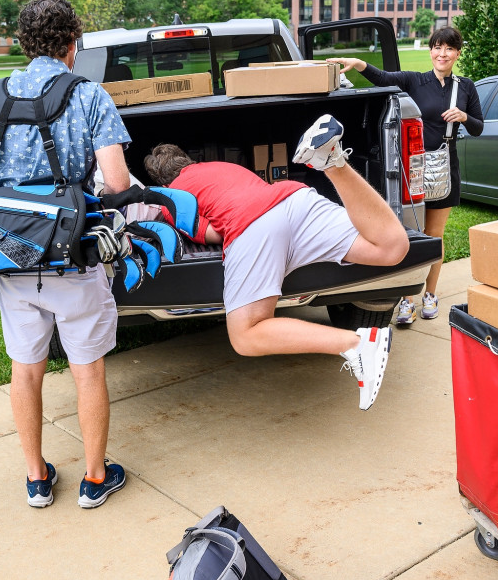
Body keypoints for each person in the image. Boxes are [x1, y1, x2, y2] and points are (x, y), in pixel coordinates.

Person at [0, 0, 131, 509]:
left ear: (24, 41)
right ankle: (96, 478)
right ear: (71, 44)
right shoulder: (88, 95)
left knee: (26, 367)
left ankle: (36, 478)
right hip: (73, 256)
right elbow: (118, 181)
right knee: (88, 369)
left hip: (12, 257)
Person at [143, 115, 410, 410]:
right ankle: (333, 161)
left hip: (253, 228)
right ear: (186, 160)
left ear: (161, 181)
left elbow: (214, 233)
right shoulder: (221, 166)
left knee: (246, 335)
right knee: (391, 248)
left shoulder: (169, 197)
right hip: (294, 200)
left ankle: (357, 345)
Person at [329, 26, 483, 326]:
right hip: (414, 167)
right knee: (413, 235)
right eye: (437, 47)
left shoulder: (465, 87)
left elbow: (479, 126)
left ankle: (430, 295)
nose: (443, 54)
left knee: (435, 236)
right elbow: (384, 79)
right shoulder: (415, 80)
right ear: (430, 50)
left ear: (457, 53)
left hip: (445, 165)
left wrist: (464, 117)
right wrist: (359, 64)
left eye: (449, 49)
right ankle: (408, 300)